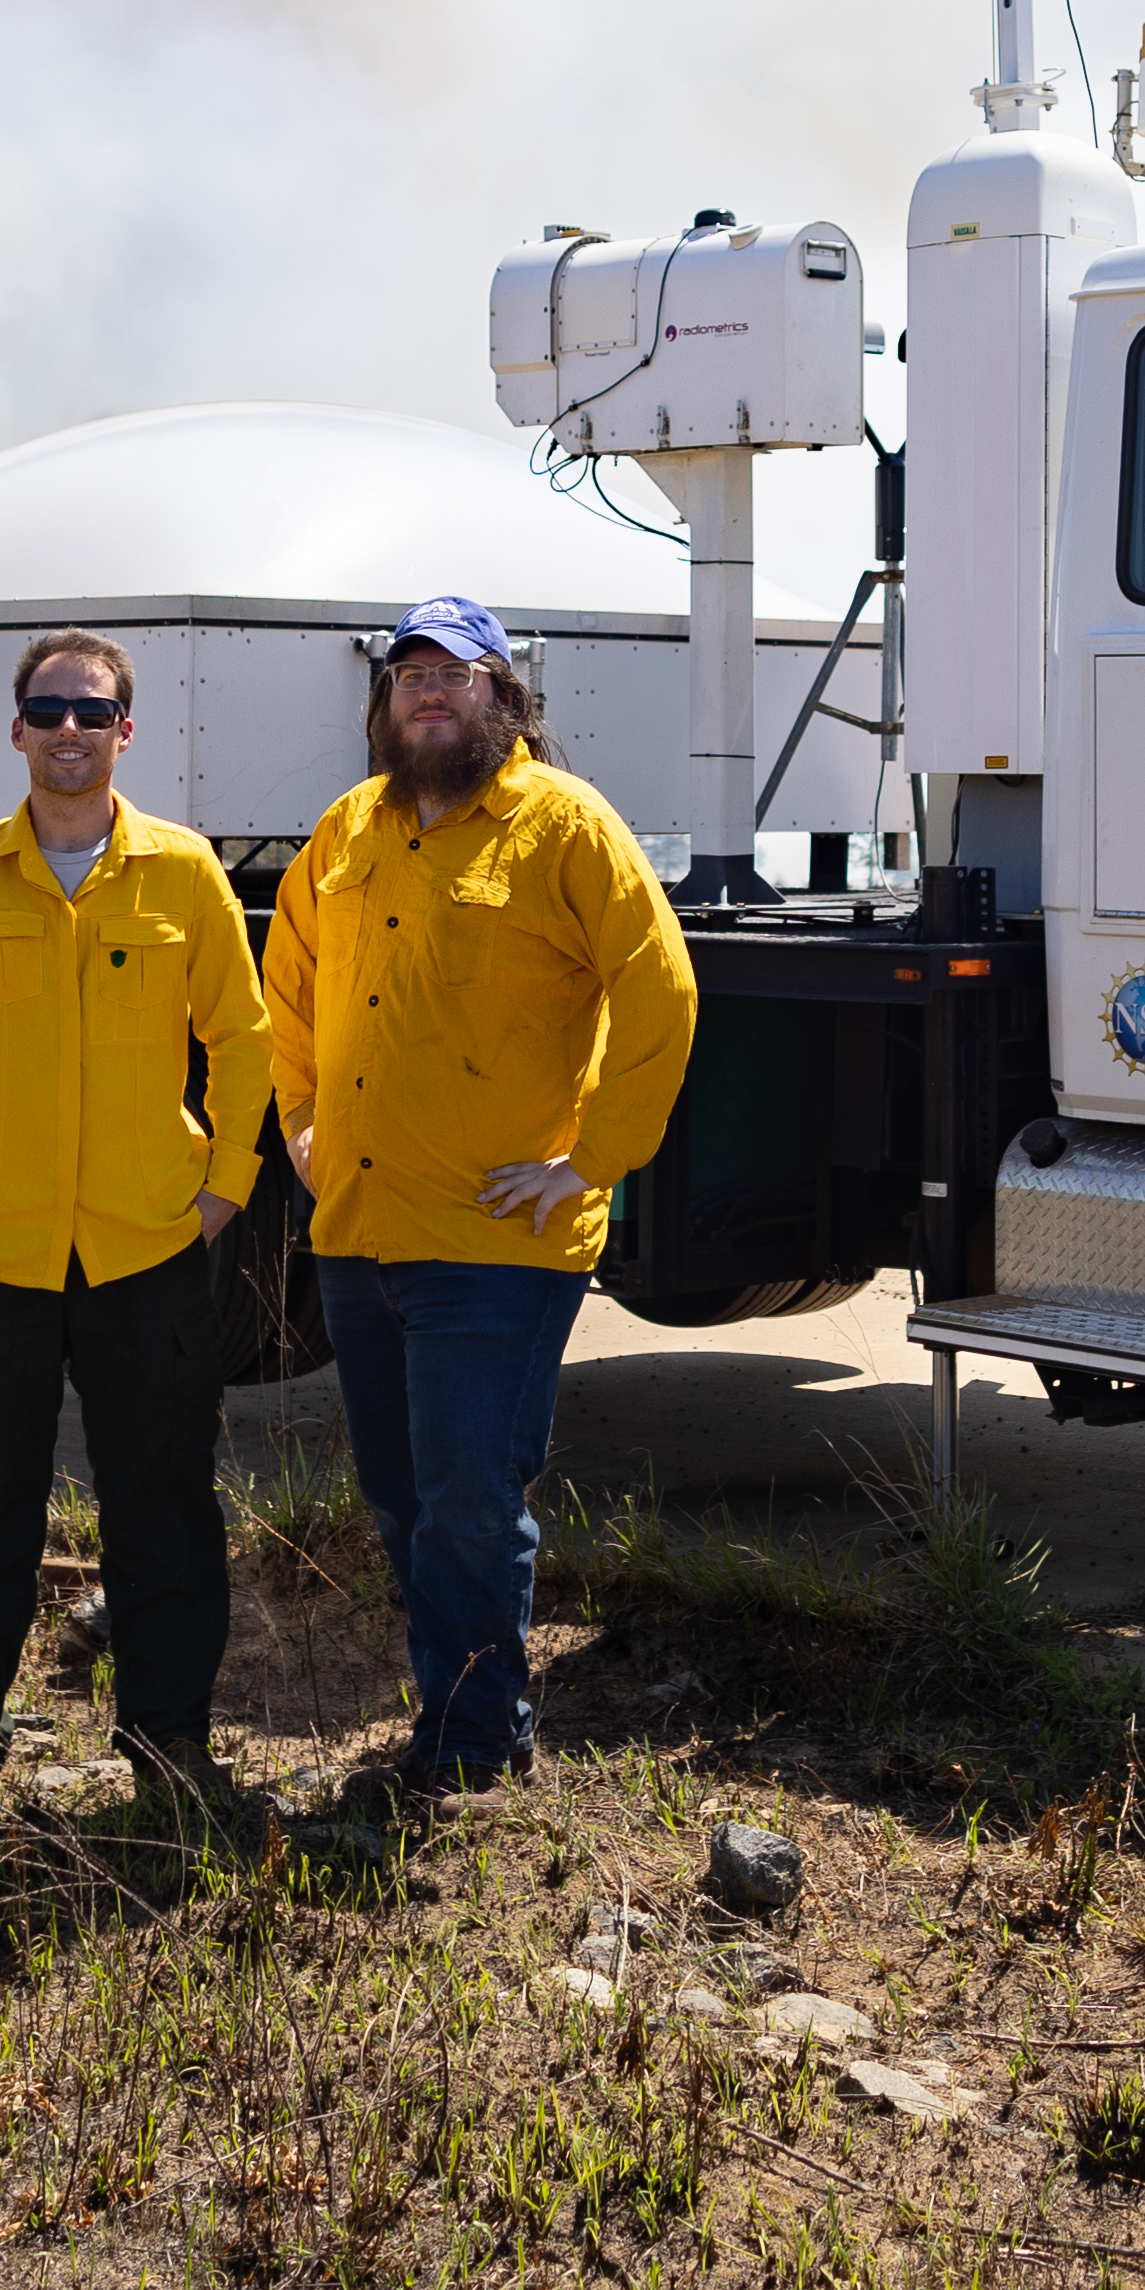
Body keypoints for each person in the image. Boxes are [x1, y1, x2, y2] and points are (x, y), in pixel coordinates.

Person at [263, 596, 698, 1798]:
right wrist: (299, 1123)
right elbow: (284, 984)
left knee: (468, 1493)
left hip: (498, 1239)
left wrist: (590, 1157)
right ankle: (472, 1708)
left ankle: (468, 1739)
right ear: (383, 701)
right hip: (359, 1228)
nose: (428, 691)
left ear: (506, 697)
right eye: (408, 674)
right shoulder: (348, 829)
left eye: (456, 674)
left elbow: (658, 989)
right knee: (402, 1492)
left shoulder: (563, 825)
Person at [0, 627, 275, 1833]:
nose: (69, 731)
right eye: (47, 711)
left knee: (162, 1504)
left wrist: (223, 1187)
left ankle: (167, 1749)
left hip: (146, 1247)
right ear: (16, 732)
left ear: (125, 731)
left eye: (91, 712)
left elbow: (246, 1039)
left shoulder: (184, 872)